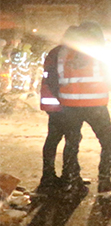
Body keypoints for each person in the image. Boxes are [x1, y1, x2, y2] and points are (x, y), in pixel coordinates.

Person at [57, 21, 111, 193]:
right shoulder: (98, 53)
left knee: (71, 143)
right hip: (95, 106)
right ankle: (104, 180)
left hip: (70, 105)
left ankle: (71, 180)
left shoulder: (63, 52)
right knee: (107, 143)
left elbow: (58, 77)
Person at [36, 26, 83, 192]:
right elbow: (56, 79)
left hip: (54, 103)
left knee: (54, 138)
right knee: (72, 138)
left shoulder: (55, 51)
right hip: (63, 104)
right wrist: (64, 101)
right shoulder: (65, 54)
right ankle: (68, 176)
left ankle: (49, 176)